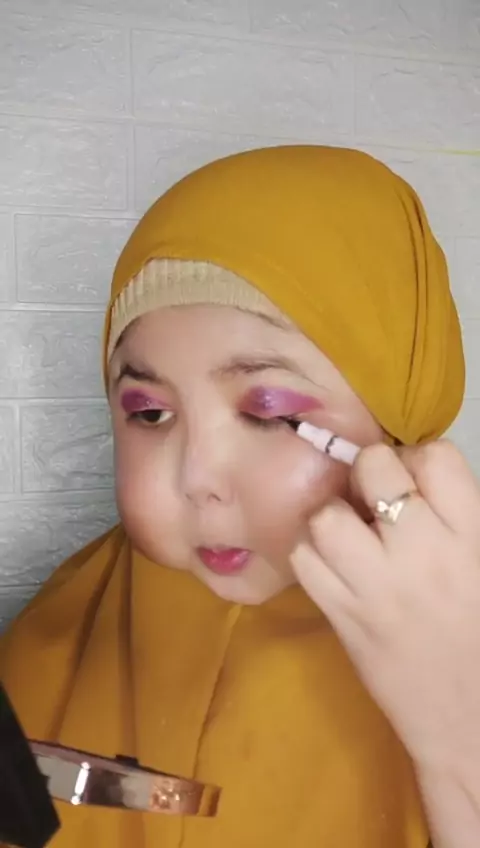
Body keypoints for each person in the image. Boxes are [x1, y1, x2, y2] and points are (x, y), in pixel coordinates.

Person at [0, 144, 478, 848]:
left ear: (404, 410)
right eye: (149, 413)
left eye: (268, 411)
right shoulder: (54, 643)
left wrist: (460, 737)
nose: (197, 477)